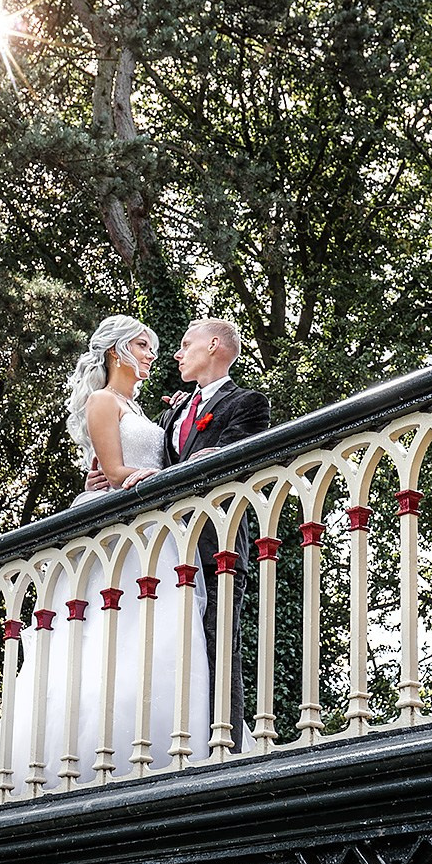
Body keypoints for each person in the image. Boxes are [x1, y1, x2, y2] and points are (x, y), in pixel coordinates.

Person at [0, 315, 209, 791]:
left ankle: (160, 741)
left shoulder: (142, 410)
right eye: (144, 346)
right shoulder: (103, 401)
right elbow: (115, 471)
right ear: (116, 351)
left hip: (154, 525)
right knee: (106, 636)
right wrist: (153, 478)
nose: (151, 355)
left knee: (157, 636)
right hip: (118, 528)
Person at [161, 317, 270, 744]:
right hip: (167, 551)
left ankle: (226, 746)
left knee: (218, 646)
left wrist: (202, 458)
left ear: (213, 345)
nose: (177, 352)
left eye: (185, 343)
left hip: (216, 546)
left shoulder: (247, 402)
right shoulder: (173, 410)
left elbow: (233, 461)